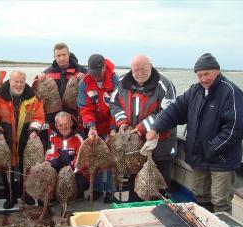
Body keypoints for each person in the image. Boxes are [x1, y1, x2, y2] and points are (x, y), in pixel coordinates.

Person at [145, 53, 243, 213]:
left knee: (220, 201)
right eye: (199, 75)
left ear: (217, 71)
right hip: (200, 157)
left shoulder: (231, 92)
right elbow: (175, 110)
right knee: (200, 196)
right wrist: (155, 127)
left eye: (206, 74)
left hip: (222, 160)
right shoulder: (195, 91)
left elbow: (237, 127)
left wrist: (212, 149)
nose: (203, 79)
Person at [109, 54, 177, 202]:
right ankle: (135, 210)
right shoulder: (121, 82)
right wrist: (123, 122)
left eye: (143, 69)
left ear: (151, 67)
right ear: (131, 69)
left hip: (161, 145)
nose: (139, 73)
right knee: (136, 183)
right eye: (136, 69)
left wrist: (142, 128)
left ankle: (161, 210)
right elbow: (114, 104)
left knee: (160, 187)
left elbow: (169, 112)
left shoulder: (165, 84)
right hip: (134, 148)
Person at [0, 70, 45, 209]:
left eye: (22, 82)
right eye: (16, 81)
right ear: (10, 81)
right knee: (6, 168)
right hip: (4, 138)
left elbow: (39, 117)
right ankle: (10, 196)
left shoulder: (34, 98)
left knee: (27, 168)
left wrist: (33, 130)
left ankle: (27, 194)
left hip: (26, 139)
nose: (19, 85)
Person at [77, 54, 119, 204]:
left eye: (97, 73)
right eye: (92, 74)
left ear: (103, 68)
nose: (95, 77)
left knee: (110, 161)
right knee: (94, 159)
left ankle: (110, 191)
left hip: (111, 126)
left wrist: (113, 129)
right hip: (95, 127)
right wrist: (91, 127)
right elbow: (85, 108)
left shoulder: (115, 80)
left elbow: (118, 106)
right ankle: (96, 189)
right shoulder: (84, 83)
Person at [34, 43, 87, 149]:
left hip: (75, 116)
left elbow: (94, 87)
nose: (62, 58)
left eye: (64, 55)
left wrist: (85, 78)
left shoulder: (82, 71)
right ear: (54, 57)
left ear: (69, 54)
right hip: (53, 117)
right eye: (58, 56)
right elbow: (36, 91)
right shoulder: (48, 72)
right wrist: (37, 78)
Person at [45, 111, 88, 200]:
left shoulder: (79, 136)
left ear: (71, 123)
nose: (64, 127)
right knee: (49, 167)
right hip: (59, 166)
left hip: (72, 168)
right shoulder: (52, 136)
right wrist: (50, 163)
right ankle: (54, 194)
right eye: (60, 125)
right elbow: (51, 153)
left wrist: (71, 166)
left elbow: (82, 156)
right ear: (56, 126)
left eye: (66, 124)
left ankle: (78, 192)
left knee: (81, 172)